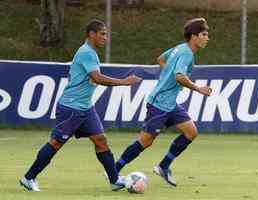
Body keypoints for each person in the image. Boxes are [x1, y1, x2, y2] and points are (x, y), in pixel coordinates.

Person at [19, 19, 142, 192]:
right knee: (55, 143)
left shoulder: (91, 52)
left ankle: (114, 180)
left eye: (106, 34)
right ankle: (28, 177)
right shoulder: (86, 52)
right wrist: (124, 82)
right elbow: (98, 78)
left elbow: (94, 78)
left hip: (85, 107)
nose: (106, 37)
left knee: (100, 140)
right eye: (103, 34)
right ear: (92, 34)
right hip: (71, 107)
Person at [115, 17, 212, 187]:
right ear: (194, 36)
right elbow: (179, 76)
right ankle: (113, 172)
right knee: (145, 141)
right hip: (159, 104)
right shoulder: (186, 53)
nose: (207, 38)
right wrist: (198, 88)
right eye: (204, 34)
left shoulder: (179, 48)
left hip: (170, 103)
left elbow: (160, 59)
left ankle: (163, 167)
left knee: (191, 132)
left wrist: (167, 75)